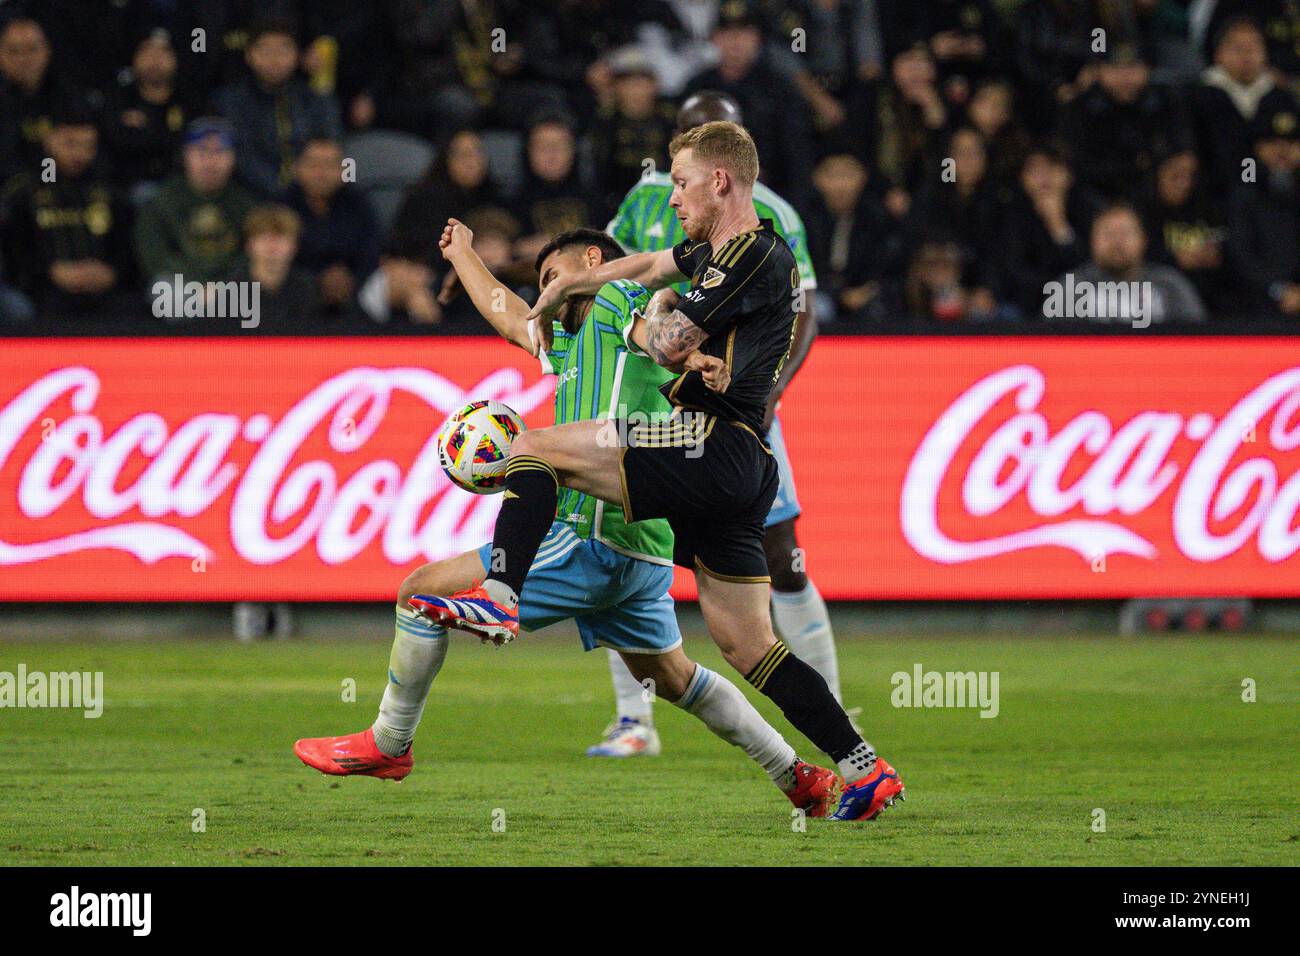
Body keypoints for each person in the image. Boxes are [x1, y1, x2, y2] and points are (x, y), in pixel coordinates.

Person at [419, 120, 904, 822]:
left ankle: (499, 591)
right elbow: (646, 266)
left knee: (533, 447)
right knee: (749, 644)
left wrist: (669, 332)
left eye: (679, 183)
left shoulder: (752, 252)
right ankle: (864, 766)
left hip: (702, 439)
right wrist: (576, 284)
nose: (671, 198)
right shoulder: (714, 251)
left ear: (720, 181)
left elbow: (668, 331)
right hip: (742, 464)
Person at [294, 223, 844, 819]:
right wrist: (465, 255)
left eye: (552, 277)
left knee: (417, 593)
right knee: (674, 678)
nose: (545, 296)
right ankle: (797, 775)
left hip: (594, 533)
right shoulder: (571, 343)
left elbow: (651, 329)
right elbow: (510, 314)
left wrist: (692, 352)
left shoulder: (614, 300)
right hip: (646, 548)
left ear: (590, 260)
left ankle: (389, 742)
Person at [597, 91, 846, 760]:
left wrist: (767, 396)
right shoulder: (645, 199)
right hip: (646, 396)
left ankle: (831, 706)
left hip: (739, 403)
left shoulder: (777, 216)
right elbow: (614, 272)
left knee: (781, 557)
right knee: (623, 543)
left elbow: (806, 317)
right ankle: (632, 721)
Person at [133, 117, 256, 301]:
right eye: (201, 151)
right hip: (182, 285)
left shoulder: (245, 202)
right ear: (186, 155)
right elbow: (155, 258)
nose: (211, 161)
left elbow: (250, 255)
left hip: (231, 285)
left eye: (220, 152)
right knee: (164, 292)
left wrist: (223, 286)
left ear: (233, 158)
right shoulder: (161, 200)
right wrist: (199, 284)